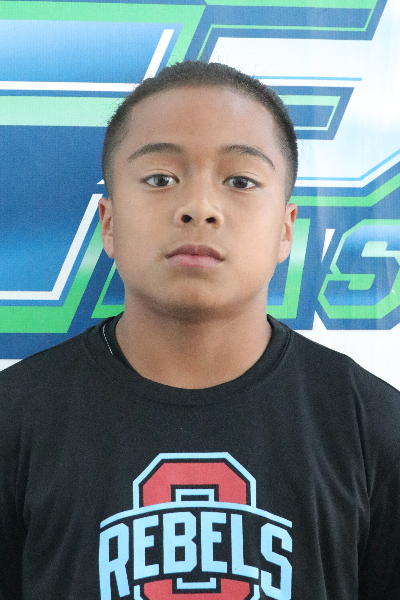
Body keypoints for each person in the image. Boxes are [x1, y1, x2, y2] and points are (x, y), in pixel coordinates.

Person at [0, 61, 399, 600]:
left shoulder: (372, 427)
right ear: (109, 224)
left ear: (286, 231)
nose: (199, 208)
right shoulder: (16, 418)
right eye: (161, 179)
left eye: (240, 181)